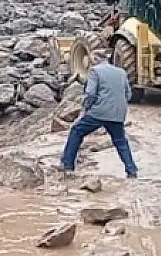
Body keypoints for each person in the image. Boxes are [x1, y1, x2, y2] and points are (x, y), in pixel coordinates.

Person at [60, 49, 139, 178]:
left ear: (96, 60)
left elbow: (90, 93)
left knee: (76, 131)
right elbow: (128, 94)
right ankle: (131, 170)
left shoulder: (95, 72)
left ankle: (67, 165)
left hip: (99, 112)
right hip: (118, 113)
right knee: (120, 141)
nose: (91, 64)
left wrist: (86, 108)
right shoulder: (121, 72)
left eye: (91, 61)